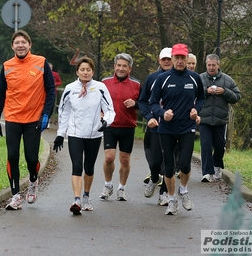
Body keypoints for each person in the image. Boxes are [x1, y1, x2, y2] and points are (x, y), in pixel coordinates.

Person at [0, 29, 55, 211]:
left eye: (23, 42)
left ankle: (33, 182)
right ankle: (15, 196)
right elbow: (1, 94)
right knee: (12, 156)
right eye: (17, 43)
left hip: (33, 119)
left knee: (31, 157)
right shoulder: (7, 66)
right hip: (12, 117)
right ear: (12, 46)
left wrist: (45, 114)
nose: (20, 45)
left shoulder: (41, 63)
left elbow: (51, 91)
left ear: (29, 44)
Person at [53, 56, 115, 215]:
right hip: (75, 133)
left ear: (93, 71)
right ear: (77, 71)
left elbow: (110, 110)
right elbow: (64, 111)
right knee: (77, 166)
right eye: (82, 69)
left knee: (88, 167)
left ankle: (86, 195)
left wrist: (105, 122)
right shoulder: (70, 88)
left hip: (94, 133)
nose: (85, 72)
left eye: (88, 70)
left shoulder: (100, 88)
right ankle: (77, 199)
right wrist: (61, 134)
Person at [149, 43, 205, 215]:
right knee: (169, 166)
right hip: (166, 128)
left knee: (185, 165)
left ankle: (184, 190)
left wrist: (197, 110)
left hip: (187, 126)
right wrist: (162, 113)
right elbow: (152, 103)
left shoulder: (195, 78)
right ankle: (172, 199)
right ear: (172, 58)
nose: (180, 61)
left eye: (183, 58)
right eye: (177, 58)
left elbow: (202, 99)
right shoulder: (163, 78)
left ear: (187, 59)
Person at [98, 53, 140, 201]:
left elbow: (145, 103)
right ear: (114, 67)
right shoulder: (104, 82)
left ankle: (121, 188)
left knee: (125, 160)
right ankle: (108, 185)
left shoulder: (137, 85)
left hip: (128, 126)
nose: (121, 68)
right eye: (119, 65)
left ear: (130, 69)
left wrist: (135, 104)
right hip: (110, 125)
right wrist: (101, 113)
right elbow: (97, 100)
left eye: (124, 66)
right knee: (109, 158)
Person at [139, 47, 173, 206]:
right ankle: (154, 178)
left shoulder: (183, 78)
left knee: (170, 162)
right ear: (159, 60)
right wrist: (149, 117)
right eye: (164, 59)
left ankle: (164, 193)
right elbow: (142, 101)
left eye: (169, 59)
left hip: (175, 128)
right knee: (155, 162)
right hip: (156, 125)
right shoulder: (152, 78)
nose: (167, 61)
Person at [199, 54, 241, 182]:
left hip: (220, 120)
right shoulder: (199, 78)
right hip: (204, 119)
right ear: (206, 65)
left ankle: (217, 166)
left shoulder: (227, 80)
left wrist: (224, 92)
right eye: (209, 65)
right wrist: (206, 91)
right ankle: (206, 173)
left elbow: (237, 96)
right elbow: (192, 94)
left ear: (218, 65)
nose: (211, 68)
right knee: (205, 145)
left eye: (213, 65)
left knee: (219, 145)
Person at [48, 62, 62, 128]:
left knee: (51, 107)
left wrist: (54, 84)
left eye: (50, 67)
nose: (49, 68)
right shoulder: (43, 73)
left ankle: (49, 121)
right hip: (43, 93)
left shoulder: (55, 74)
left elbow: (60, 82)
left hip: (53, 93)